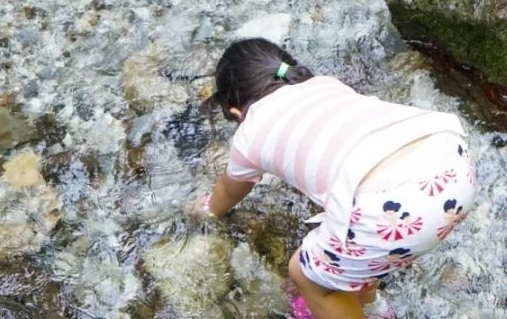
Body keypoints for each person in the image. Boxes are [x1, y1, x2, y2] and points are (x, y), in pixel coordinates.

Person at [194, 38, 477, 319]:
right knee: (350, 240)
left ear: (235, 111)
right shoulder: (325, 84)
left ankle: (343, 303)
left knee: (305, 274)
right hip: (450, 158)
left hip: (394, 205)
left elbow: (228, 193)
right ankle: (371, 305)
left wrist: (206, 210)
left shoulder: (249, 134)